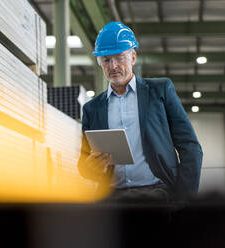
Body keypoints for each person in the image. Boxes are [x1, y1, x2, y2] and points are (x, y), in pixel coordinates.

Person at [77, 22, 203, 201]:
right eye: (106, 59)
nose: (113, 65)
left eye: (119, 57)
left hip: (158, 195)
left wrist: (184, 199)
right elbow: (83, 165)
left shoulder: (160, 91)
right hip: (113, 200)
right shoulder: (92, 108)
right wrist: (92, 168)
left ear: (133, 57)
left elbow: (190, 146)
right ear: (100, 63)